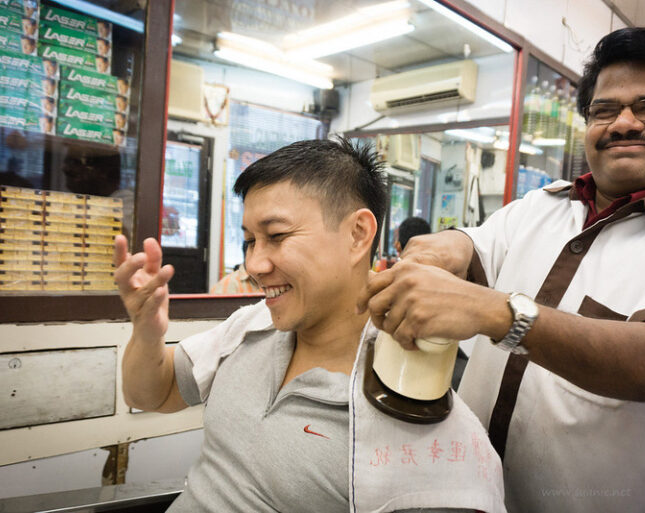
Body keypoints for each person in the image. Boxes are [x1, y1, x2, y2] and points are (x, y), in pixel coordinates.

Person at [358, 27, 645, 513]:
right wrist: (441, 248)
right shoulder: (539, 207)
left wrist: (498, 313)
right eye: (605, 110)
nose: (624, 123)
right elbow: (473, 245)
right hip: (464, 494)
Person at [114, 137, 505, 512]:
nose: (253, 265)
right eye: (250, 240)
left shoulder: (416, 412)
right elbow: (153, 394)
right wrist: (147, 335)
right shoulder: (251, 326)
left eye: (277, 236)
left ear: (357, 234)